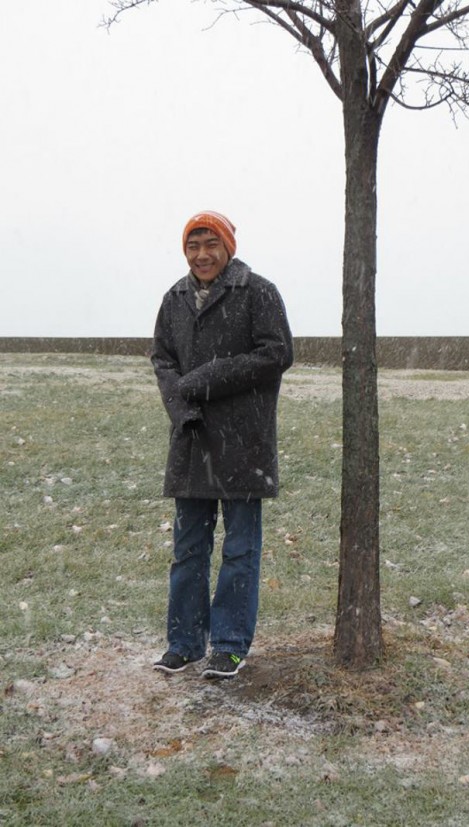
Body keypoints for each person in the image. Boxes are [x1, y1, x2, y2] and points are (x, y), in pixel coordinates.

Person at [151, 210, 293, 678]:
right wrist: (182, 408)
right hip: (192, 440)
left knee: (240, 549)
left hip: (245, 441)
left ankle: (229, 645)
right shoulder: (174, 299)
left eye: (210, 244)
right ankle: (186, 642)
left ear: (228, 246)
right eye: (193, 246)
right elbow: (163, 361)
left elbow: (276, 353)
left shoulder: (259, 292)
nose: (202, 254)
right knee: (189, 548)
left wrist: (209, 377)